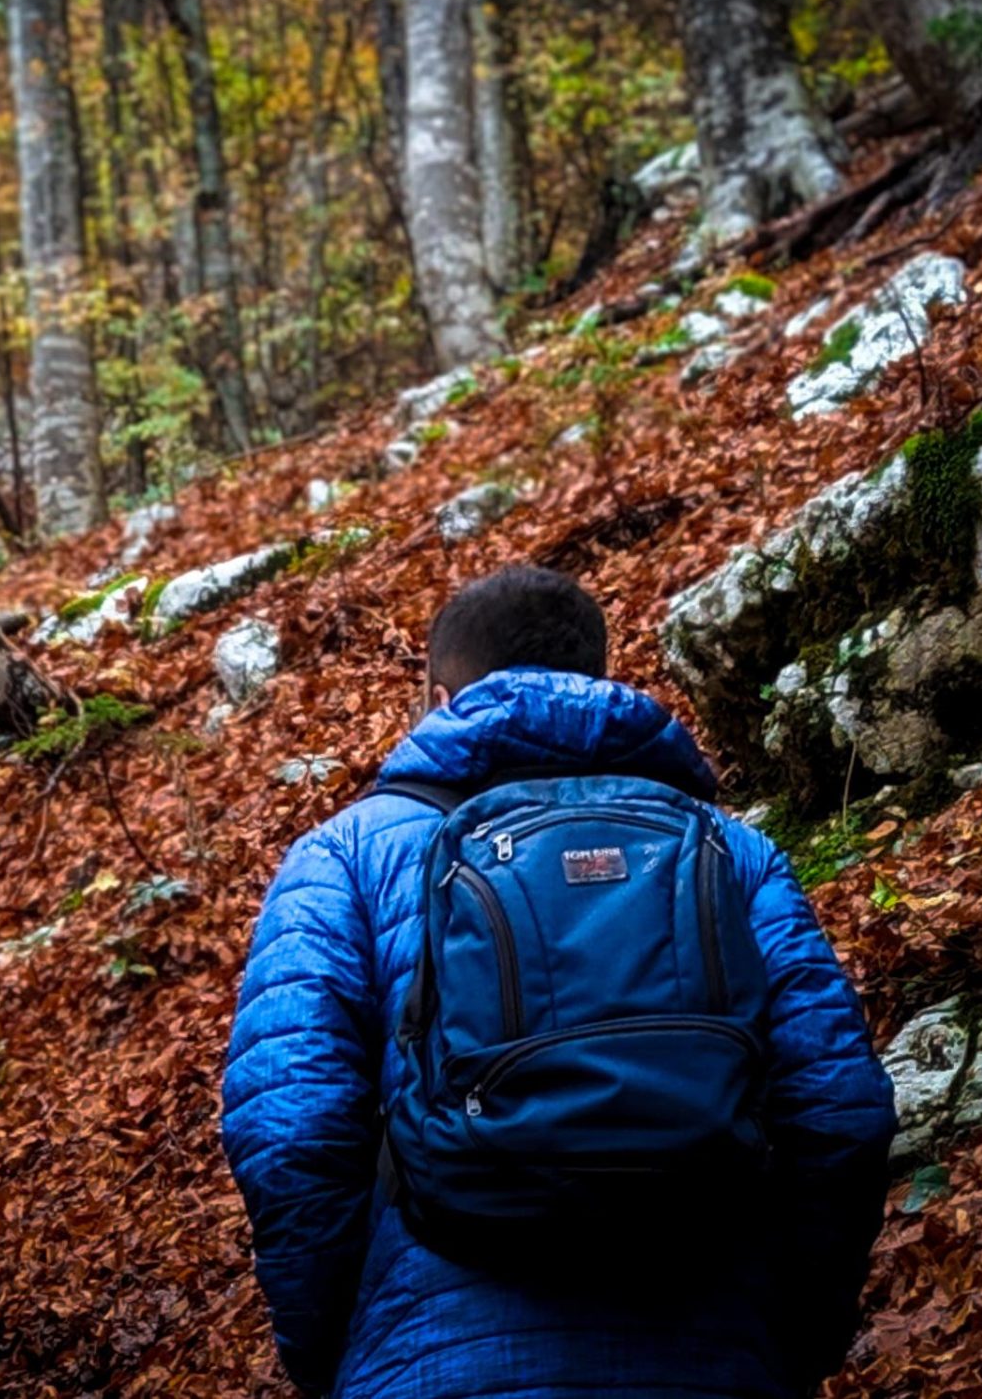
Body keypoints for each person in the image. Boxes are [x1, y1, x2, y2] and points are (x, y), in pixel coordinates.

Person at [221, 563, 895, 1399]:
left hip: (428, 1360)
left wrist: (336, 1355)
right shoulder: (731, 849)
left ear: (438, 698)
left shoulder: (344, 859)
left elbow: (290, 1134)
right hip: (716, 1355)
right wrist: (794, 1337)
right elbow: (840, 1110)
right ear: (597, 684)